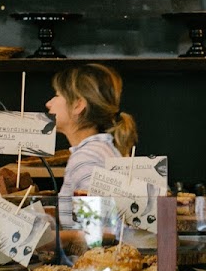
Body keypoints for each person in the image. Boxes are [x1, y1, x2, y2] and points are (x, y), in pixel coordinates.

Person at [45, 63, 138, 251]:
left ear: (78, 104)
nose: (49, 103)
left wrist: (47, 240)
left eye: (57, 95)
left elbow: (103, 232)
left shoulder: (86, 158)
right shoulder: (100, 149)